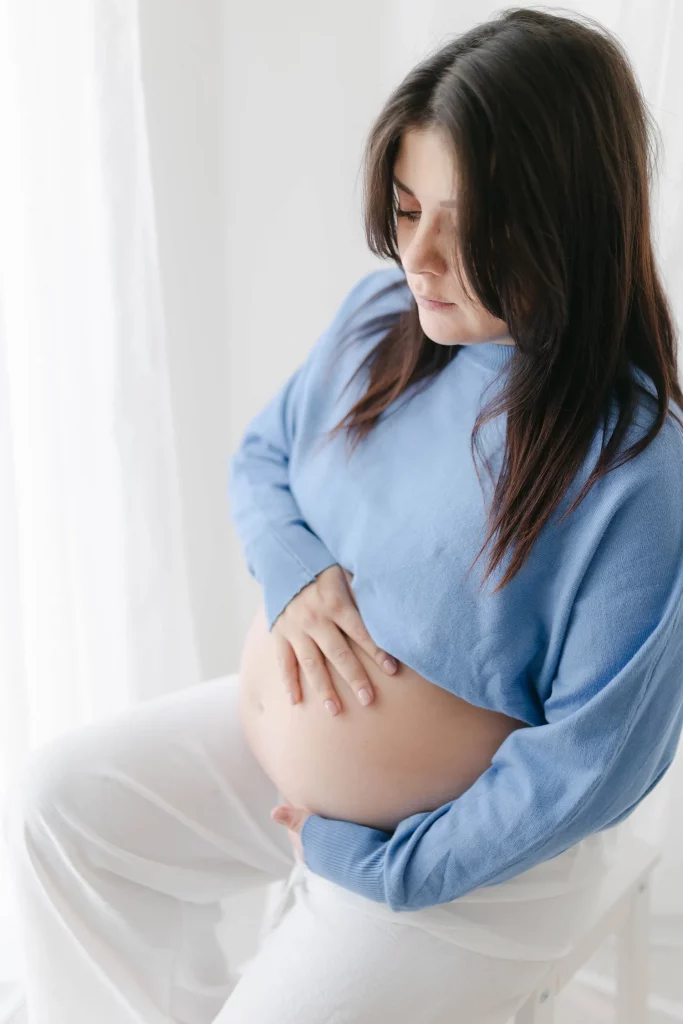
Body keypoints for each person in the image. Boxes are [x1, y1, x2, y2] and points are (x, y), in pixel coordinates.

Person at [4, 7, 683, 1023]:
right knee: (56, 807)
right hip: (282, 771)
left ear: (563, 220)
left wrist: (374, 860)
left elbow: (587, 767)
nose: (420, 258)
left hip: (465, 861)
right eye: (407, 210)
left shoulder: (636, 466)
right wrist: (297, 572)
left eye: (471, 225)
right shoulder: (381, 325)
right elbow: (262, 457)